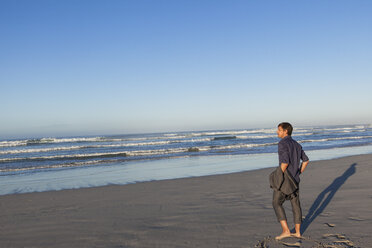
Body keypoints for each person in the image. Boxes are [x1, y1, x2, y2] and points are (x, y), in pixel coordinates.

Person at [273, 122, 309, 240]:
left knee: (276, 203)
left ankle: (286, 230)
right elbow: (306, 160)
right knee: (295, 204)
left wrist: (278, 176)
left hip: (286, 179)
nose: (277, 132)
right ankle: (298, 232)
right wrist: (299, 172)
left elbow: (285, 162)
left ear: (285, 131)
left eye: (279, 130)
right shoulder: (296, 144)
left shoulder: (282, 143)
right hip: (295, 179)